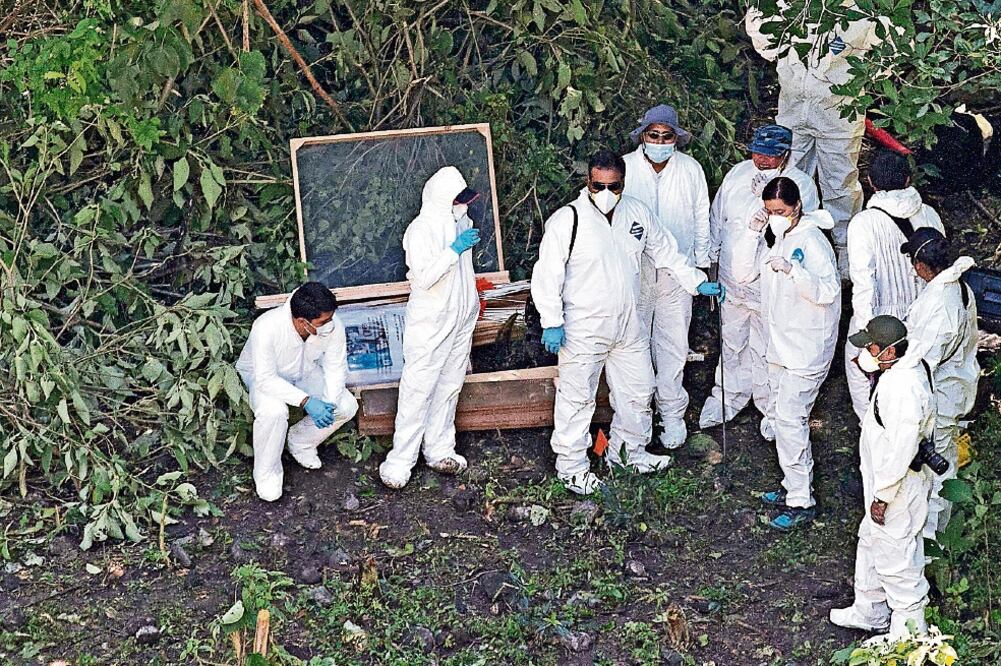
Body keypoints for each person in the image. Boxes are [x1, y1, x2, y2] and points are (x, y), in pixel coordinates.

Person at [531, 150, 723, 495]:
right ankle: (571, 466)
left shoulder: (636, 213)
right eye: (597, 185)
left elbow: (665, 251)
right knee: (577, 398)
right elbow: (547, 274)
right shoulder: (567, 220)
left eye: (613, 185)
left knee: (638, 391)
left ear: (623, 183)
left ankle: (628, 452)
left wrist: (696, 281)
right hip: (583, 327)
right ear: (587, 182)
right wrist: (551, 320)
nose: (605, 192)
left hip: (628, 324)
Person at [733, 176, 841, 529]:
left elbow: (827, 291)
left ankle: (801, 500)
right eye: (768, 211)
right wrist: (752, 233)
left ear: (796, 207)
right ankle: (791, 484)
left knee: (792, 420)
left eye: (779, 210)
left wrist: (796, 272)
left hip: (807, 349)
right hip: (781, 346)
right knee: (782, 418)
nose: (774, 216)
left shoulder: (812, 241)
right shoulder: (778, 238)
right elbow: (742, 273)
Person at [745, 6, 884, 275]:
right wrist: (785, 61)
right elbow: (760, 23)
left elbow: (892, 44)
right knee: (789, 179)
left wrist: (855, 77)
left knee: (840, 184)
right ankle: (786, 244)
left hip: (838, 112)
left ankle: (846, 258)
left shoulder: (866, 6)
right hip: (794, 107)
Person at [699, 124, 820, 429]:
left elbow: (803, 235)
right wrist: (711, 262)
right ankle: (728, 396)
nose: (763, 160)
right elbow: (717, 219)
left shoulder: (801, 185)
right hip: (731, 278)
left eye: (772, 156)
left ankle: (771, 407)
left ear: (787, 154)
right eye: (758, 153)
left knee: (770, 346)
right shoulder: (737, 175)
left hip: (771, 281)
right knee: (732, 340)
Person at [831, 315, 934, 639]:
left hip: (897, 489)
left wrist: (882, 497)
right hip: (889, 483)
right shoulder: (904, 370)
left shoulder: (901, 388)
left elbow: (902, 449)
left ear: (889, 352)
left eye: (872, 347)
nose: (867, 352)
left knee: (897, 562)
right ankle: (870, 611)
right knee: (871, 540)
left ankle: (909, 639)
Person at [378, 166, 481, 489]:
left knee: (449, 385)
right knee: (418, 390)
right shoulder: (420, 230)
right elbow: (423, 278)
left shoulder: (460, 222)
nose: (461, 205)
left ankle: (439, 449)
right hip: (431, 323)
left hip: (461, 317)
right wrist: (453, 250)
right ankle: (400, 460)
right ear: (440, 199)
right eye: (455, 200)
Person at [621, 104, 712, 449]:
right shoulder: (626, 168)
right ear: (643, 136)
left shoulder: (690, 170)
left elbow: (701, 217)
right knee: (635, 344)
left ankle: (672, 415)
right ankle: (638, 418)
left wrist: (701, 266)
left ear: (676, 139)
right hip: (637, 273)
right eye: (653, 135)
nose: (659, 141)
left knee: (674, 346)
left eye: (666, 136)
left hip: (680, 273)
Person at [845, 151, 945, 421]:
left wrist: (868, 332)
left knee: (858, 368)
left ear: (870, 182)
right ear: (908, 179)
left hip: (881, 317)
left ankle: (872, 425)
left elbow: (863, 282)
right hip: (924, 313)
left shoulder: (864, 223)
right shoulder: (931, 215)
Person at [236, 282, 359, 502]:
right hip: (263, 377)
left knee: (346, 406)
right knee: (273, 412)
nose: (329, 325)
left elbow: (335, 366)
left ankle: (301, 441)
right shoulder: (266, 327)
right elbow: (265, 378)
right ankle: (266, 473)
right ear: (303, 322)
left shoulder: (331, 325)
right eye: (323, 322)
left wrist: (328, 402)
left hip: (305, 371)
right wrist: (306, 401)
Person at [901, 228, 980, 539]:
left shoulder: (942, 306)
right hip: (952, 390)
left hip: (940, 398)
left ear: (922, 266)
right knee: (941, 464)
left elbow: (924, 362)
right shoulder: (956, 288)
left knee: (936, 473)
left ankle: (932, 542)